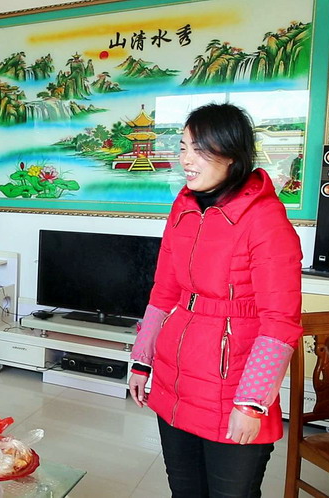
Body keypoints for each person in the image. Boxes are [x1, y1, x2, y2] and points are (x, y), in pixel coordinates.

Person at [128, 103, 302, 497]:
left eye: (200, 150)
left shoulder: (265, 220)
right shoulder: (183, 208)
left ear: (232, 154)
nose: (186, 160)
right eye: (183, 147)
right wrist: (142, 359)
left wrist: (251, 404)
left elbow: (280, 322)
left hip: (235, 389)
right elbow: (164, 291)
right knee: (185, 491)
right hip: (175, 382)